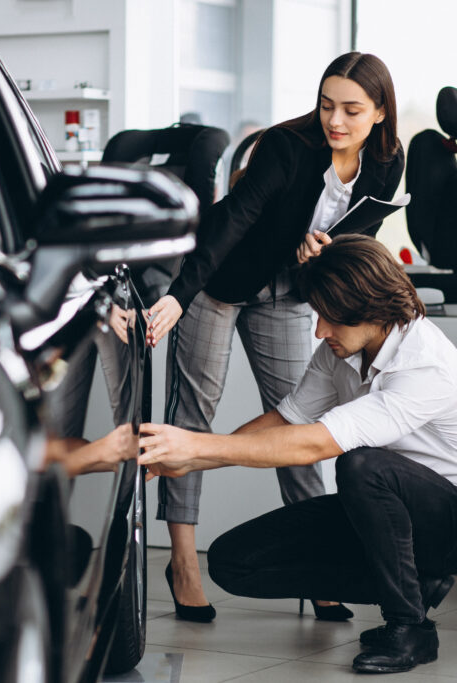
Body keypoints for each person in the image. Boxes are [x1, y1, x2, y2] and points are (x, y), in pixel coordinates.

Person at [139, 235, 457, 675]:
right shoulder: (342, 350)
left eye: (330, 319)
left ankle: (410, 628)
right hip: (388, 514)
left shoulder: (425, 364)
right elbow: (287, 421)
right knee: (235, 562)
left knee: (360, 464)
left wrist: (196, 444)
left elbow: (316, 444)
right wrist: (188, 458)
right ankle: (416, 584)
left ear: (373, 308)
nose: (319, 331)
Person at [143, 52, 405, 622]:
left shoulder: (388, 161)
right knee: (193, 416)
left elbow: (366, 226)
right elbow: (233, 219)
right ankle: (182, 559)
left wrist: (326, 248)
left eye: (352, 110)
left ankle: (317, 566)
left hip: (290, 290)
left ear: (380, 112)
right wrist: (178, 295)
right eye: (326, 105)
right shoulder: (288, 147)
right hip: (222, 280)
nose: (335, 120)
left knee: (296, 422)